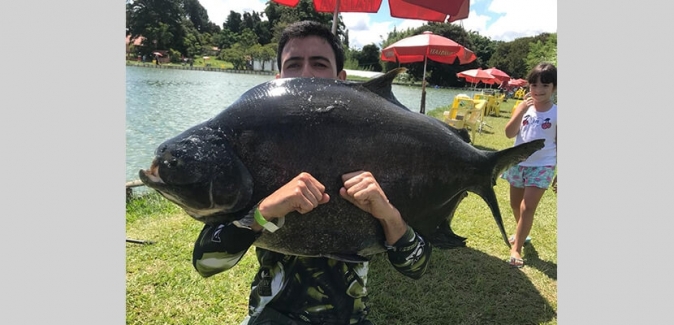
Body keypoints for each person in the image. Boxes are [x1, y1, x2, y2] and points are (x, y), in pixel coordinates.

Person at [191, 20, 432, 325]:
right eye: (294, 64)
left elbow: (416, 266)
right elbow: (207, 263)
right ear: (278, 79)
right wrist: (263, 213)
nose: (306, 74)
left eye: (319, 64)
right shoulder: (258, 147)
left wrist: (388, 215)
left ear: (342, 79)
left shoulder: (374, 147)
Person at [501, 62, 557, 268]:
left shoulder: (558, 114)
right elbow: (509, 133)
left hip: (543, 165)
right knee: (515, 205)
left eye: (545, 86)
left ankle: (516, 248)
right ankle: (522, 233)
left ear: (554, 88)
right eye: (534, 85)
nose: (538, 90)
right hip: (518, 163)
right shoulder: (523, 108)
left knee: (527, 207)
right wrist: (521, 110)